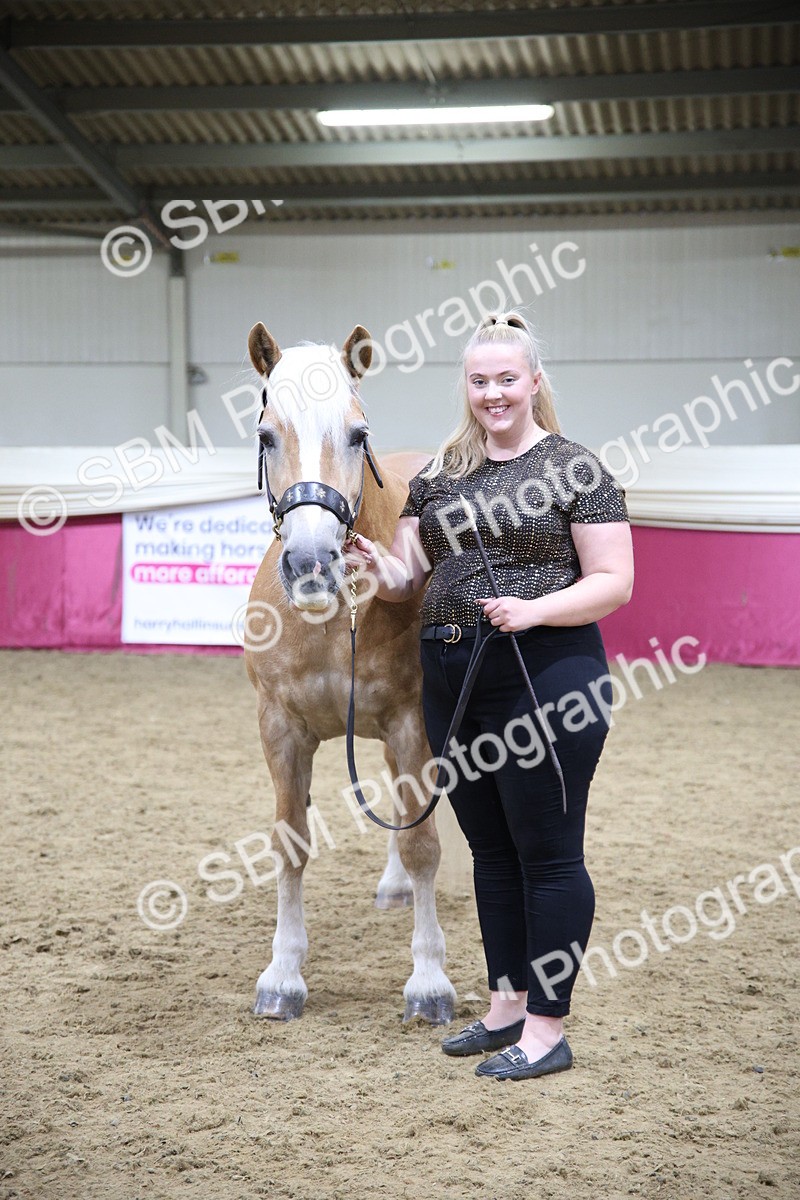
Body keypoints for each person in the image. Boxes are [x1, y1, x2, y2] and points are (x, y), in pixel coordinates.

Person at [346, 311, 633, 1081]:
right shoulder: (440, 473)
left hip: (545, 673)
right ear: (466, 387)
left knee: (547, 855)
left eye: (508, 379)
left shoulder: (577, 467)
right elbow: (410, 579)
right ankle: (506, 1005)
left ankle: (548, 1027)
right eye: (480, 381)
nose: (493, 393)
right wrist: (380, 565)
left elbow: (614, 580)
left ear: (534, 382)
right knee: (494, 856)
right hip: (451, 676)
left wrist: (535, 610)